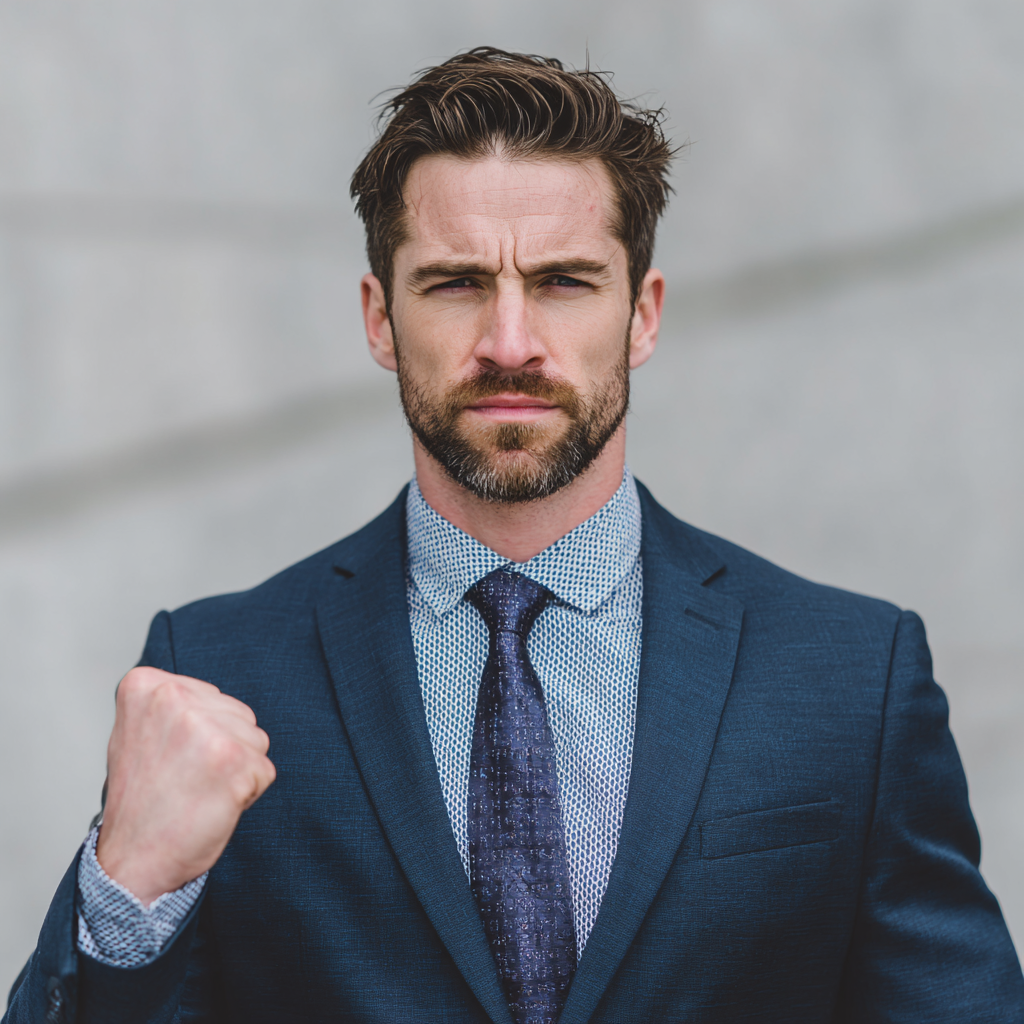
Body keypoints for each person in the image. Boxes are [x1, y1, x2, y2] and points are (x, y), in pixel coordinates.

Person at [5, 47, 1023, 1024]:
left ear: (643, 315)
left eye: (564, 281)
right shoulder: (216, 677)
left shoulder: (851, 679)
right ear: (377, 317)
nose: (508, 342)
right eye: (453, 283)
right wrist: (126, 883)